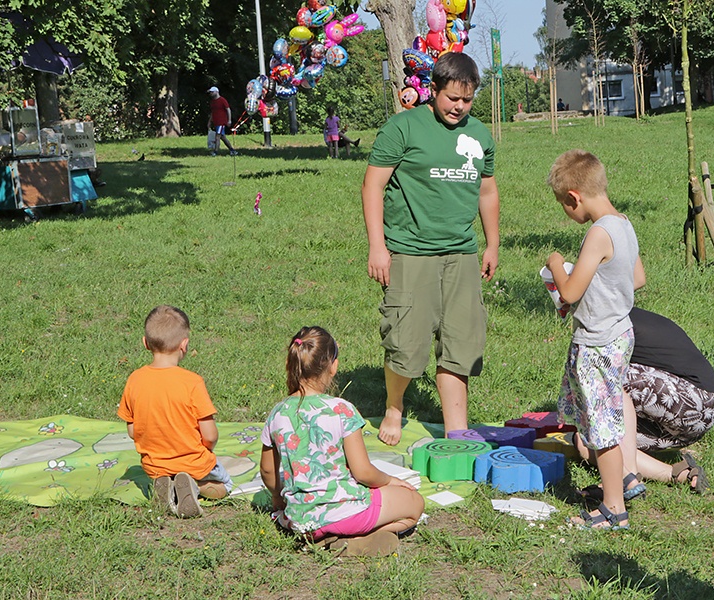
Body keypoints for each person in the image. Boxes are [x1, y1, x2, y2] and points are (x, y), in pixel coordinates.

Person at [361, 51, 500, 446]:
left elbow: (487, 190)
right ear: (433, 89)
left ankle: (457, 428)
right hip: (410, 251)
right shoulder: (402, 128)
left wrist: (492, 244)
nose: (459, 107)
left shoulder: (480, 136)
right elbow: (373, 185)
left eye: (467, 100)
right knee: (406, 341)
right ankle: (394, 405)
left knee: (461, 342)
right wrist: (378, 247)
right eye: (452, 98)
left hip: (461, 253)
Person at [545, 149, 646, 530]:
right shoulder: (624, 223)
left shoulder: (598, 233)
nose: (566, 212)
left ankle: (613, 509)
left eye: (563, 206)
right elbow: (637, 279)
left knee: (601, 426)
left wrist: (557, 265)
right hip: (620, 333)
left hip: (597, 343)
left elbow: (569, 293)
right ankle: (624, 479)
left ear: (574, 196)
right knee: (609, 414)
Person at [259, 326, 424, 556]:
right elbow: (363, 472)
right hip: (346, 513)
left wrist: (278, 498)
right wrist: (391, 481)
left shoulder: (277, 413)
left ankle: (327, 538)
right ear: (333, 366)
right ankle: (355, 537)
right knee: (414, 504)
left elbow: (267, 471)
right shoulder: (341, 410)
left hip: (299, 521)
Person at [574, 307, 714, 496]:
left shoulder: (611, 320)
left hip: (697, 401)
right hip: (684, 420)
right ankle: (678, 474)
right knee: (586, 439)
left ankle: (628, 477)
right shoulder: (612, 314)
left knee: (602, 375)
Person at [118, 305, 233, 518]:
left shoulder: (135, 380)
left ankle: (168, 486)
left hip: (155, 465)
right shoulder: (192, 382)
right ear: (184, 345)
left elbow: (133, 431)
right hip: (193, 462)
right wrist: (206, 450)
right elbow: (209, 435)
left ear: (145, 343)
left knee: (166, 473)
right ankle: (195, 486)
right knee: (226, 484)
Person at [206, 86, 238, 156]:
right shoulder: (212, 102)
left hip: (221, 122)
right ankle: (232, 150)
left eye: (212, 92)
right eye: (210, 92)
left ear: (216, 92)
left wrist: (229, 120)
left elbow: (228, 109)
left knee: (217, 136)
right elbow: (212, 112)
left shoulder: (222, 100)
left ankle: (215, 151)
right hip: (216, 122)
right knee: (222, 137)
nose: (211, 94)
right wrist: (210, 121)